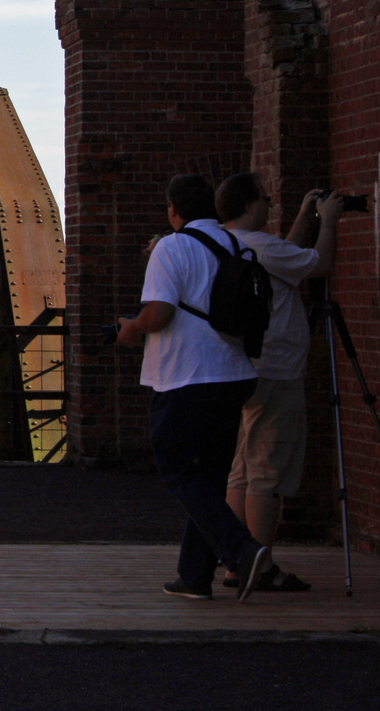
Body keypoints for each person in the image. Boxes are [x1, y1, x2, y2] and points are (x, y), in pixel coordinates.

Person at [116, 174, 271, 601]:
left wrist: (131, 330)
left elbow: (160, 314)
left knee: (179, 470)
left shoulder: (171, 246)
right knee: (208, 476)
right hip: (234, 374)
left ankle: (242, 550)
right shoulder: (237, 246)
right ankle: (194, 576)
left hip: (185, 376)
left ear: (173, 209)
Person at [216, 174, 346, 593]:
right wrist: (329, 221)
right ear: (250, 204)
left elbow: (284, 262)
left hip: (241, 368)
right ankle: (262, 565)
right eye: (266, 200)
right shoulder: (262, 245)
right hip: (278, 369)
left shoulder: (224, 243)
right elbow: (317, 264)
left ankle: (236, 561)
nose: (270, 206)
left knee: (241, 470)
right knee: (267, 471)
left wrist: (304, 218)